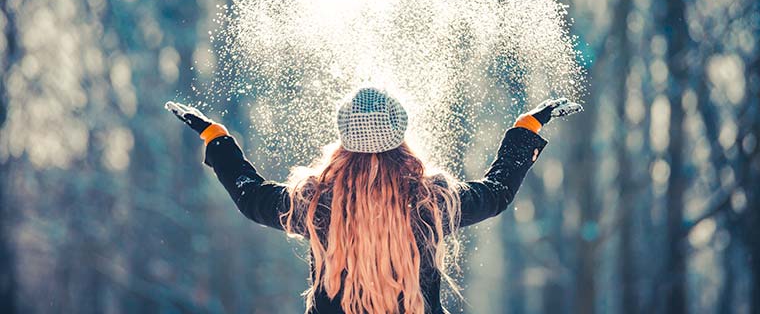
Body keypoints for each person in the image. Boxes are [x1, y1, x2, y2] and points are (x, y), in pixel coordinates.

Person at [166, 87, 581, 314]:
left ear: (343, 137)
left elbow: (250, 196)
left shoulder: (316, 203)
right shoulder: (428, 201)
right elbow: (496, 192)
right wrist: (526, 128)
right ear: (401, 136)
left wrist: (216, 138)